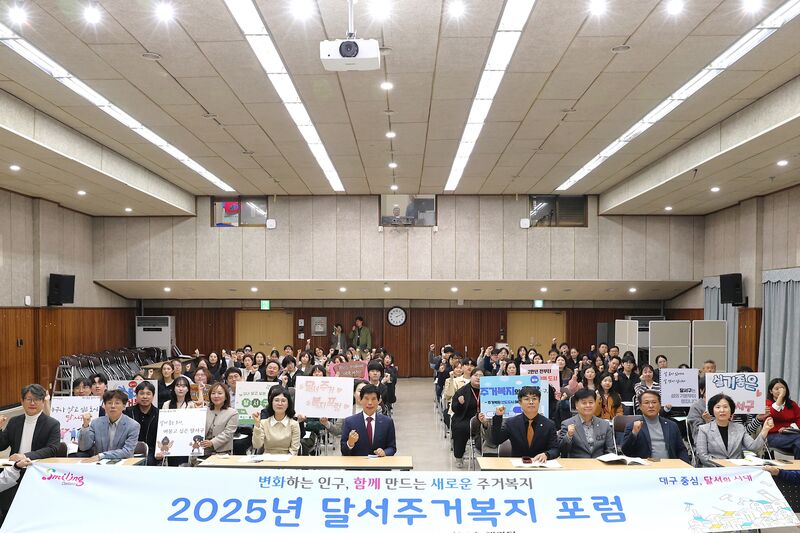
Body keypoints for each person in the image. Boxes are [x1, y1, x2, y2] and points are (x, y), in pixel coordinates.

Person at [0, 384, 60, 518]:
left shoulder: (52, 424)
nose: (32, 403)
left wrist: (25, 456)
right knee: (7, 508)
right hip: (14, 471)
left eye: (37, 399)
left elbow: (52, 449)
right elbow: (1, 446)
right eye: (29, 399)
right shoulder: (15, 421)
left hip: (37, 471)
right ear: (22, 401)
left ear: (43, 401)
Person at [695, 393, 773, 467]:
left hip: (737, 469)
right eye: (718, 407)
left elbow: (753, 447)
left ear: (731, 410)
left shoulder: (739, 428)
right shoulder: (704, 429)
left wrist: (765, 429)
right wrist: (722, 466)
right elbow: (703, 456)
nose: (722, 410)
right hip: (714, 470)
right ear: (712, 410)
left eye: (725, 407)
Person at [492, 386, 559, 461]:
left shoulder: (549, 424)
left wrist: (547, 454)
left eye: (534, 399)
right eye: (527, 399)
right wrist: (498, 417)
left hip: (540, 464)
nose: (531, 402)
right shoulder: (511, 423)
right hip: (518, 464)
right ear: (520, 402)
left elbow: (555, 449)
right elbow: (496, 440)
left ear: (539, 401)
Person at [621, 390, 689, 462]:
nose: (651, 406)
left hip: (669, 465)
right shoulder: (632, 426)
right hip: (645, 466)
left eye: (654, 402)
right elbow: (626, 452)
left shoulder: (671, 425)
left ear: (660, 405)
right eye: (646, 403)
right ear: (640, 406)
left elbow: (681, 450)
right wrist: (634, 433)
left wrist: (685, 465)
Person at [78, 389, 140, 461]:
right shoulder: (96, 423)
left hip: (123, 463)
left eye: (117, 403)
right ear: (104, 406)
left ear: (124, 406)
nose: (113, 406)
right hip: (100, 464)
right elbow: (84, 447)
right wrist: (85, 426)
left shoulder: (133, 425)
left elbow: (127, 452)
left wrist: (102, 456)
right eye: (109, 403)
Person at [341, 384, 397, 457]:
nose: (370, 403)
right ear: (360, 400)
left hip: (380, 463)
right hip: (357, 463)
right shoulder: (349, 422)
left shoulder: (387, 422)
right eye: (366, 399)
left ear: (379, 401)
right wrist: (350, 443)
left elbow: (392, 448)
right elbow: (343, 450)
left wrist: (385, 452)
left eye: (373, 399)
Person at [558, 389, 615, 458]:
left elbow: (610, 451)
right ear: (576, 405)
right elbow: (562, 451)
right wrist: (568, 436)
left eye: (591, 402)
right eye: (584, 403)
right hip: (577, 463)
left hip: (599, 463)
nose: (588, 405)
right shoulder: (567, 424)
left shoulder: (605, 425)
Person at [252, 387, 300, 455]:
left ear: (288, 404)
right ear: (271, 403)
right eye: (276, 400)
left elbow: (294, 451)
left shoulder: (294, 424)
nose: (280, 404)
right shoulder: (264, 423)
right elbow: (257, 445)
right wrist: (257, 424)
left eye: (283, 401)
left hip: (287, 459)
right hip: (267, 458)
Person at [123, 381, 159, 465]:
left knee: (148, 462)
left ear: (153, 396)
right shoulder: (127, 412)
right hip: (129, 450)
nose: (145, 396)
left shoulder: (159, 414)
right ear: (136, 395)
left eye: (148, 394)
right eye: (142, 393)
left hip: (152, 451)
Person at [200, 383, 238, 457]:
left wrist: (212, 442)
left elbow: (228, 433)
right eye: (213, 393)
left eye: (220, 393)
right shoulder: (204, 410)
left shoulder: (233, 413)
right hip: (202, 451)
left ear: (226, 396)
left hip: (222, 453)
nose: (216, 396)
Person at [765, 378, 800, 458]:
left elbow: (799, 418)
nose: (780, 391)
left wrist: (790, 428)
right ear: (771, 391)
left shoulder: (792, 404)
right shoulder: (767, 403)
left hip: (792, 433)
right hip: (773, 435)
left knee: (798, 442)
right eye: (777, 389)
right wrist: (780, 397)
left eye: (782, 388)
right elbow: (772, 413)